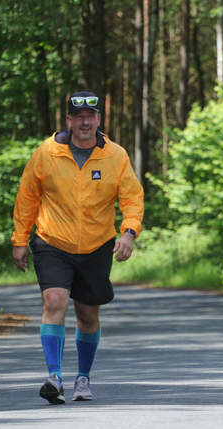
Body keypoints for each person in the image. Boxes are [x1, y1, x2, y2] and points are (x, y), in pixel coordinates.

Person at [11, 91, 144, 404]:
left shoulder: (115, 156)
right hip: (52, 241)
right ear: (69, 120)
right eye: (79, 117)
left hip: (96, 245)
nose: (85, 122)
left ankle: (83, 377)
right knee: (54, 300)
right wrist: (20, 239)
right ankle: (54, 376)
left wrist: (128, 233)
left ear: (98, 119)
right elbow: (27, 197)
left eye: (91, 116)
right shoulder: (47, 153)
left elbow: (132, 198)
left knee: (87, 314)